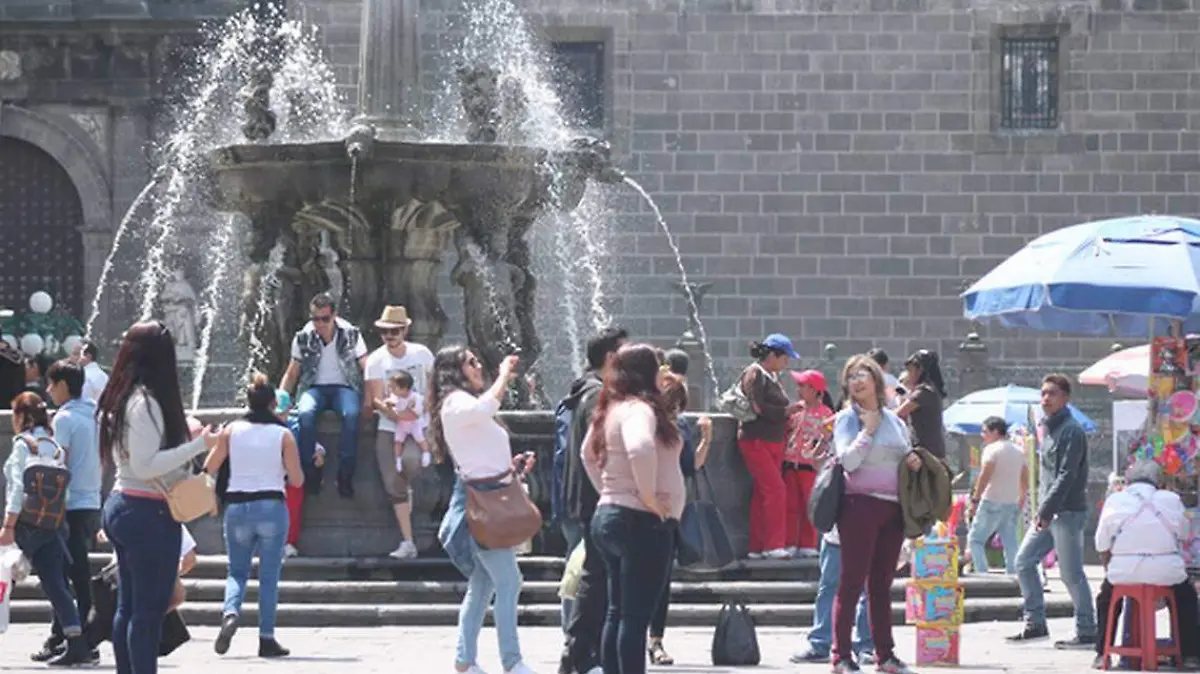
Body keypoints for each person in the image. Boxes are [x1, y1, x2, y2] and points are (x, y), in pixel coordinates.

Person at [97, 320, 220, 674]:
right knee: (149, 611)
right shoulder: (146, 403)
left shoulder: (123, 397)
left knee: (130, 606)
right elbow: (147, 464)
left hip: (124, 504)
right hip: (146, 511)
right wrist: (199, 445)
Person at [430, 347, 538, 674]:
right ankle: (512, 661)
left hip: (490, 494)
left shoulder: (459, 403)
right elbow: (487, 406)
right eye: (472, 362)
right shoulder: (455, 402)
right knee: (508, 581)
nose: (479, 367)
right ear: (455, 370)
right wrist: (504, 373)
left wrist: (512, 469)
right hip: (481, 502)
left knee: (483, 583)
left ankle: (465, 659)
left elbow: (481, 451)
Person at [582, 343, 683, 674]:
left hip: (609, 516)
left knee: (617, 611)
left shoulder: (612, 407)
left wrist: (611, 492)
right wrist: (649, 497)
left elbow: (587, 455)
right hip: (641, 522)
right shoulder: (639, 409)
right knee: (635, 617)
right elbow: (640, 448)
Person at [204, 374, 304, 658]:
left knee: (237, 571)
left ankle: (231, 612)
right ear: (274, 404)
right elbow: (296, 480)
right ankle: (266, 638)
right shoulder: (283, 434)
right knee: (269, 575)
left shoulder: (231, 430)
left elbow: (209, 467)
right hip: (271, 506)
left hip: (237, 507)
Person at [831, 355, 919, 674]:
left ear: (876, 380)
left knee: (881, 583)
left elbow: (903, 452)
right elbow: (848, 462)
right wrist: (866, 433)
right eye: (851, 376)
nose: (856, 380)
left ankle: (886, 655)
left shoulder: (895, 420)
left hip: (892, 508)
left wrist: (912, 462)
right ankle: (841, 655)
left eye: (863, 374)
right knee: (852, 581)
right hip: (858, 505)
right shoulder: (847, 419)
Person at [1, 392, 92, 666]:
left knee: (4, 579)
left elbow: (17, 487)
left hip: (26, 525)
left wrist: (8, 525)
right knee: (57, 585)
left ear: (20, 416)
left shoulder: (23, 445)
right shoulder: (53, 446)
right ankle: (77, 643)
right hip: (52, 525)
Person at [1007, 374, 1097, 647]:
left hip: (1067, 512)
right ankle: (1035, 623)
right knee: (1023, 561)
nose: (1046, 398)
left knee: (1071, 574)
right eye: (1043, 393)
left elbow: (1067, 475)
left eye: (1052, 393)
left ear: (1066, 398)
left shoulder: (1071, 431)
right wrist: (1042, 510)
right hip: (1049, 512)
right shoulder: (1047, 429)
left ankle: (1087, 629)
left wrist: (1044, 511)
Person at [559, 326, 628, 674]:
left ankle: (582, 652)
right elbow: (597, 452)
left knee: (597, 576)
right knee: (596, 577)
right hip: (596, 499)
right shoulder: (595, 396)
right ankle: (579, 653)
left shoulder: (588, 390)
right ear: (611, 358)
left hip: (588, 498)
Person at [1091, 459, 1199, 670]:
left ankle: (1101, 652)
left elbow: (1101, 543)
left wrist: (1110, 568)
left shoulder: (1116, 500)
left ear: (1128, 481)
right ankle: (1190, 655)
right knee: (1186, 596)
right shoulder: (1171, 499)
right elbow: (1185, 535)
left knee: (1106, 598)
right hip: (1166, 569)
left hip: (1124, 570)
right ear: (1158, 481)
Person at [36, 360, 102, 662]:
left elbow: (54, 465)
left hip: (69, 503)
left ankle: (79, 640)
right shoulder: (95, 416)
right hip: (90, 502)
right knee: (76, 570)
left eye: (51, 384)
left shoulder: (63, 419)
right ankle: (69, 636)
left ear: (63, 385)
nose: (48, 390)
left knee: (62, 572)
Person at [647, 361, 712, 666]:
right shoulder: (643, 422)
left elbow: (690, 466)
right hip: (643, 509)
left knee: (661, 580)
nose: (677, 410)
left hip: (671, 511)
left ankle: (655, 640)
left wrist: (706, 439)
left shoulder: (682, 425)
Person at [279, 292, 368, 498]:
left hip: (344, 387)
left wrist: (372, 397)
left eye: (325, 319)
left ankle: (345, 474)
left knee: (352, 415)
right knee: (305, 414)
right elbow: (292, 372)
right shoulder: (303, 336)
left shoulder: (351, 333)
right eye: (315, 319)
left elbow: (366, 366)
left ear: (334, 315)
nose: (319, 324)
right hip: (314, 388)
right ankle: (311, 470)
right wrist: (281, 399)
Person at [363, 305, 435, 559]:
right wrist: (393, 413)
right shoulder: (375, 360)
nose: (389, 336)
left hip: (419, 425)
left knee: (411, 460)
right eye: (385, 332)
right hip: (388, 426)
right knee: (392, 482)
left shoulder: (422, 354)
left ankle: (409, 489)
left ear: (405, 329)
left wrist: (422, 408)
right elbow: (375, 397)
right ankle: (408, 541)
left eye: (394, 331)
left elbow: (433, 386)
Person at [737, 334, 797, 560]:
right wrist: (785, 413)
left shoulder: (770, 375)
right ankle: (773, 545)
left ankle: (757, 546)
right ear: (772, 355)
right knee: (775, 490)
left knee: (763, 492)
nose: (786, 363)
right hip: (756, 440)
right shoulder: (755, 374)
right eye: (785, 358)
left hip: (771, 440)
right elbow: (757, 407)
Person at [789, 524, 875, 665]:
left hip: (868, 534)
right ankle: (820, 643)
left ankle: (866, 645)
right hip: (836, 536)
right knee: (829, 589)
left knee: (868, 590)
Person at [783, 369, 835, 557]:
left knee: (809, 505)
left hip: (810, 467)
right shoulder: (795, 410)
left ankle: (808, 543)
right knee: (790, 506)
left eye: (802, 386)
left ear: (814, 390)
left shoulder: (826, 414)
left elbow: (828, 439)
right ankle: (789, 542)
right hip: (790, 464)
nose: (799, 389)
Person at [966, 416, 1028, 575]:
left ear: (995, 432)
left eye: (985, 431)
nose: (982, 435)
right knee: (1010, 543)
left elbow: (985, 475)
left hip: (991, 501)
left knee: (976, 540)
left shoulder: (991, 450)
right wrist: (1021, 498)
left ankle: (982, 575)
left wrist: (975, 499)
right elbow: (1024, 477)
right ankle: (1014, 576)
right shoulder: (1019, 451)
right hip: (1011, 502)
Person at [896, 349, 947, 460]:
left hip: (926, 453)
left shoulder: (924, 392)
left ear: (920, 370)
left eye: (910, 371)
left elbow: (898, 414)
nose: (908, 375)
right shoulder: (930, 389)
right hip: (930, 451)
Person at [385, 371, 431, 463]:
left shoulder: (416, 398)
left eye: (394, 387)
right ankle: (398, 460)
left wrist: (408, 409)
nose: (391, 390)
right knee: (398, 441)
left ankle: (426, 453)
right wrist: (389, 406)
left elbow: (417, 414)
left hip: (414, 423)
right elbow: (391, 407)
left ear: (404, 388)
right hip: (401, 424)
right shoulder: (394, 397)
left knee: (420, 438)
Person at [72, 339, 109, 403]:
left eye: (78, 354)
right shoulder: (104, 376)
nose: (75, 358)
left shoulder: (84, 376)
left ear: (88, 356)